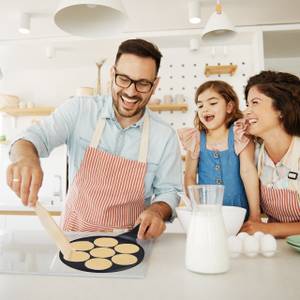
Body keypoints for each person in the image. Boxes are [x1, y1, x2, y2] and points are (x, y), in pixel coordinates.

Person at [6, 39, 182, 240]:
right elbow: (32, 138)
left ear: (155, 84)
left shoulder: (164, 136)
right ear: (112, 74)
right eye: (123, 79)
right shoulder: (79, 110)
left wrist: (157, 211)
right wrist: (25, 159)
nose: (131, 92)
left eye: (143, 83)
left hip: (130, 244)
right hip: (73, 238)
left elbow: (169, 191)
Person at [178, 80, 260, 221]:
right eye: (200, 105)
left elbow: (248, 172)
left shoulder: (239, 134)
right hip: (207, 213)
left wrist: (255, 215)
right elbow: (190, 176)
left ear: (229, 106)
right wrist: (196, 208)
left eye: (213, 103)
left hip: (239, 212)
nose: (205, 109)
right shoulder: (195, 139)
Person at [241, 70, 300, 238]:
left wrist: (268, 229)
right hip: (276, 249)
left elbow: (264, 228)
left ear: (281, 109)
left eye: (255, 102)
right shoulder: (256, 155)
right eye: (247, 104)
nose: (246, 112)